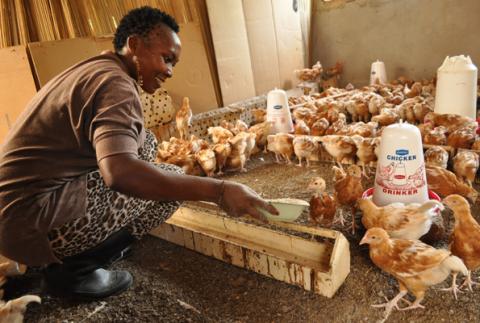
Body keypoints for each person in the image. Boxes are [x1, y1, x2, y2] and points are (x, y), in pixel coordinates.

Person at [0, 6, 277, 299]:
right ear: (134, 45)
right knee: (171, 180)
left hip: (13, 215)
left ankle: (73, 251)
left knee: (146, 144)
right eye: (166, 58)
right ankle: (75, 271)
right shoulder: (116, 85)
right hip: (29, 222)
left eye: (174, 64)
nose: (169, 71)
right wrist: (219, 190)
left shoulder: (95, 69)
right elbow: (120, 174)